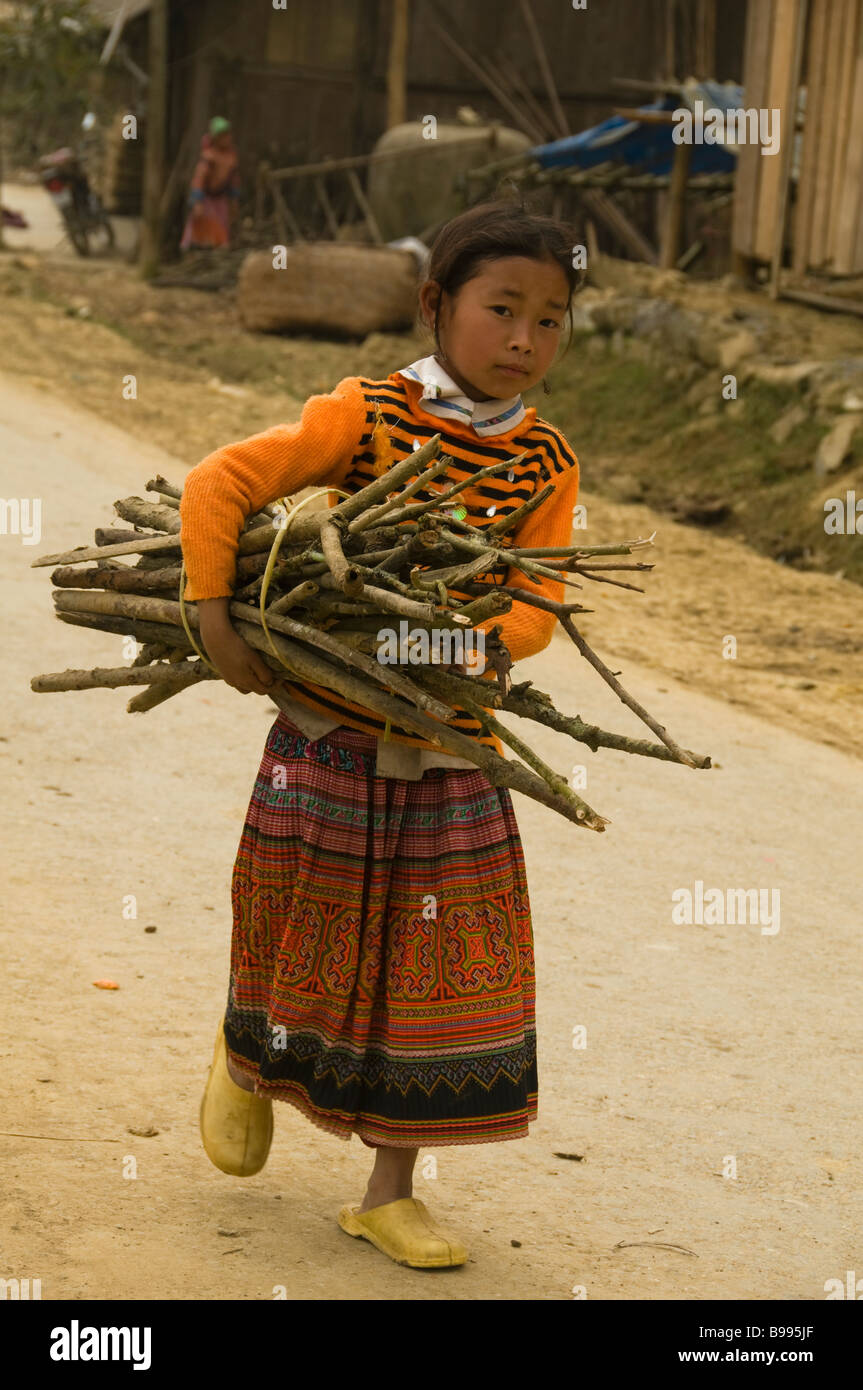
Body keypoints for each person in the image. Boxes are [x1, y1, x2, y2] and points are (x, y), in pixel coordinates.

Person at [181, 198, 583, 1270]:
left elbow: (531, 614)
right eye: (501, 310)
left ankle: (389, 1189)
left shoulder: (546, 461)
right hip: (329, 740)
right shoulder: (365, 413)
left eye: (549, 321)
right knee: (299, 925)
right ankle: (244, 1053)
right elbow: (219, 481)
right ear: (433, 306)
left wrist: (442, 651)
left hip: (447, 750)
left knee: (429, 968)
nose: (522, 341)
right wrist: (215, 617)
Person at [180, 116, 240, 252]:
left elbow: (233, 181)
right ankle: (198, 252)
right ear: (216, 138)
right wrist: (197, 202)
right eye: (223, 135)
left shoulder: (231, 158)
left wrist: (234, 200)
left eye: (228, 135)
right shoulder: (209, 158)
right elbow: (198, 180)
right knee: (204, 231)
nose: (227, 138)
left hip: (221, 201)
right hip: (207, 201)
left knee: (221, 231)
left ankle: (218, 252)